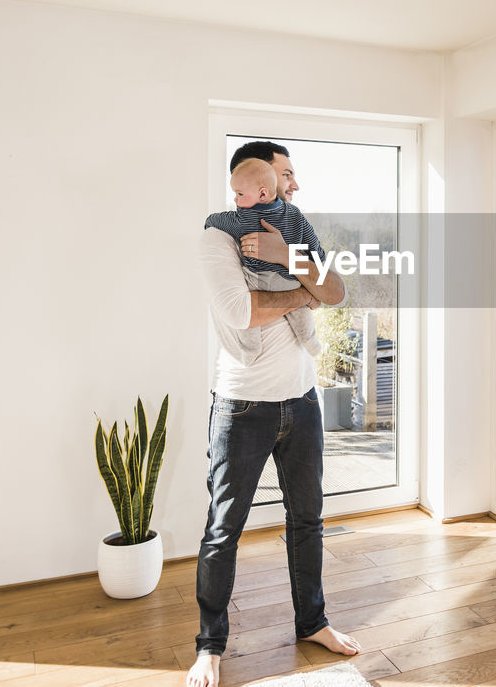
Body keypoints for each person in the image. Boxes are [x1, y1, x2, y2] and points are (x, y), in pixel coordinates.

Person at [188, 141, 360, 687]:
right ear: (262, 181)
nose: (296, 185)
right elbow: (242, 312)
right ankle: (209, 646)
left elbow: (333, 291)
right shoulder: (218, 238)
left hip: (302, 401)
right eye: (288, 175)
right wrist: (299, 296)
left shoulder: (293, 231)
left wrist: (287, 258)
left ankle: (313, 622)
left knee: (307, 520)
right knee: (224, 530)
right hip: (242, 406)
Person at [203, 157, 320, 361]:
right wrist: (316, 257)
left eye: (240, 194)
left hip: (259, 281)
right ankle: (311, 343)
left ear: (262, 193)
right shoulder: (294, 214)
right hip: (289, 280)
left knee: (249, 325)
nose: (237, 200)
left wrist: (208, 221)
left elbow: (218, 219)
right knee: (301, 315)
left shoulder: (245, 217)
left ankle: (250, 352)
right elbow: (312, 241)